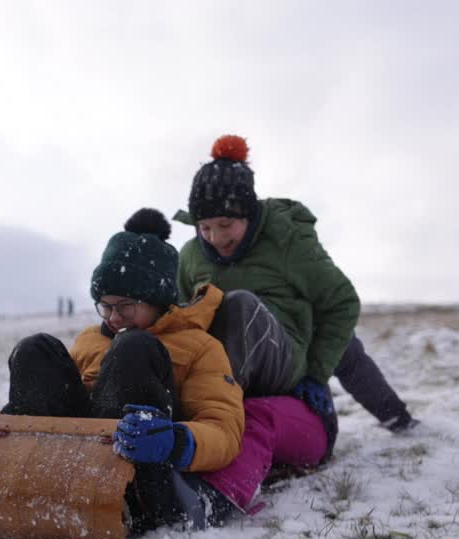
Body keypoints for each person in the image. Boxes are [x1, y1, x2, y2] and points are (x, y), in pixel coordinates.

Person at [0, 216, 328, 530]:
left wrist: (176, 441)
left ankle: (129, 499)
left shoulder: (200, 347)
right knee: (35, 350)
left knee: (134, 348)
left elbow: (225, 429)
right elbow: (61, 402)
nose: (114, 317)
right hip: (73, 464)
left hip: (146, 483)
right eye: (105, 306)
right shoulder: (90, 340)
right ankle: (28, 476)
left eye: (127, 306)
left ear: (158, 300)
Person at [171, 134, 418, 435]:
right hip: (224, 369)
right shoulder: (191, 256)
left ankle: (397, 419)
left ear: (248, 214)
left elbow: (340, 302)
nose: (216, 238)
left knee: (340, 344)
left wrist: (315, 374)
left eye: (226, 225)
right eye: (205, 227)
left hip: (287, 352)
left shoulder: (287, 240)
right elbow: (184, 321)